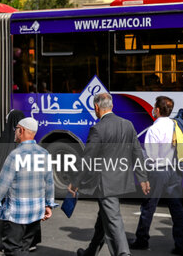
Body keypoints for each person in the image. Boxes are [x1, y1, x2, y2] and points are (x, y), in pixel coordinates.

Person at [68, 93, 150, 256]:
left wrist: (75, 182)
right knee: (104, 219)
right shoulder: (128, 124)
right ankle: (91, 252)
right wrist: (142, 178)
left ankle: (123, 253)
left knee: (113, 220)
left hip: (105, 183)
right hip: (121, 180)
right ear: (111, 106)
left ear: (97, 108)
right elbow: (137, 153)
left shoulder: (98, 129)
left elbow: (87, 158)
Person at [0, 117, 56, 255]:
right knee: (24, 247)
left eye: (16, 129)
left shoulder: (15, 155)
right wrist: (48, 204)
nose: (15, 133)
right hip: (36, 211)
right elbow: (49, 182)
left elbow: (2, 185)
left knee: (12, 249)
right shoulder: (44, 153)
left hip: (17, 213)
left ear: (21, 130)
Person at [130, 96, 183, 256]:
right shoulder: (176, 125)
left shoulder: (154, 130)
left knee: (149, 206)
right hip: (174, 171)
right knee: (176, 209)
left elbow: (151, 156)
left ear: (156, 110)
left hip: (158, 171)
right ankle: (181, 245)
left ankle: (142, 240)